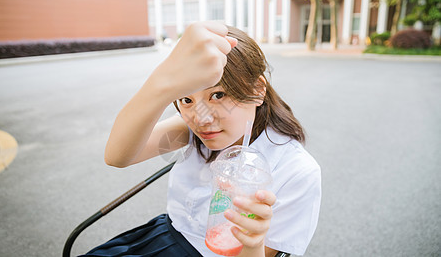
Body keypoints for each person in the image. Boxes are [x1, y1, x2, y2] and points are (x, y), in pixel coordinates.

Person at [81, 22, 321, 257]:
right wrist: (161, 82)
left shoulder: (296, 170)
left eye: (217, 94)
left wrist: (254, 242)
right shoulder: (188, 128)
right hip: (161, 237)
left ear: (258, 89)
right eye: (186, 99)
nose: (201, 119)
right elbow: (117, 156)